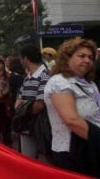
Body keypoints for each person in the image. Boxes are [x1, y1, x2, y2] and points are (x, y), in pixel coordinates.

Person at [44, 37, 99, 176]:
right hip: (72, 151)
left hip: (91, 146)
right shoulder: (59, 82)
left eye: (90, 57)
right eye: (81, 56)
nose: (87, 60)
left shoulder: (89, 83)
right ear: (66, 58)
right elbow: (71, 120)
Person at [15, 45, 51, 159]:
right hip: (27, 128)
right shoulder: (27, 77)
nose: (20, 61)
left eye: (20, 58)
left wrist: (23, 111)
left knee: (42, 163)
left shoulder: (45, 76)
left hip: (41, 129)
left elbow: (39, 105)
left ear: (25, 59)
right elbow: (17, 102)